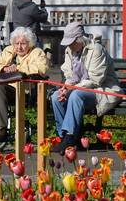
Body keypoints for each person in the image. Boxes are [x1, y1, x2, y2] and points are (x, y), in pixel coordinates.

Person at [0, 25, 47, 149]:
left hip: (23, 91)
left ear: (30, 43)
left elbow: (41, 69)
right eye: (17, 43)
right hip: (2, 89)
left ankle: (1, 128)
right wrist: (4, 68)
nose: (19, 47)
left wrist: (17, 69)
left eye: (23, 43)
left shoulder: (37, 52)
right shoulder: (8, 51)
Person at [51, 21, 121, 151]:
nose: (69, 46)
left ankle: (71, 137)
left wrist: (71, 89)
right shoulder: (69, 51)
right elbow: (69, 75)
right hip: (80, 89)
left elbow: (95, 80)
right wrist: (65, 89)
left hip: (102, 91)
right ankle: (63, 136)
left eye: (72, 42)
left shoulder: (96, 50)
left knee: (76, 95)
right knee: (56, 97)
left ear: (80, 39)